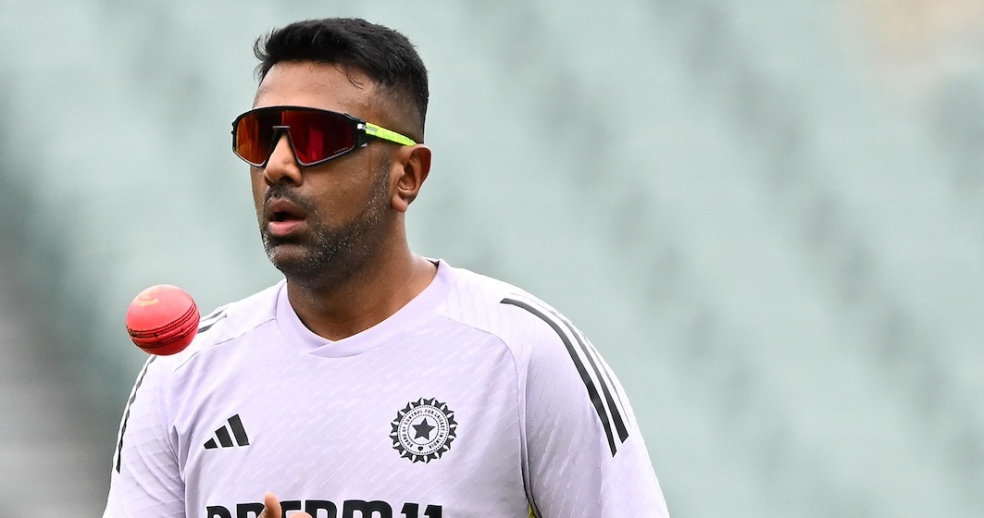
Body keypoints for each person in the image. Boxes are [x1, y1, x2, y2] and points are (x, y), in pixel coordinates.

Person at [104, 18, 668, 518]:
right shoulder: (183, 371)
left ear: (408, 175)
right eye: (260, 137)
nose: (277, 166)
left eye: (315, 138)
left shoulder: (523, 355)